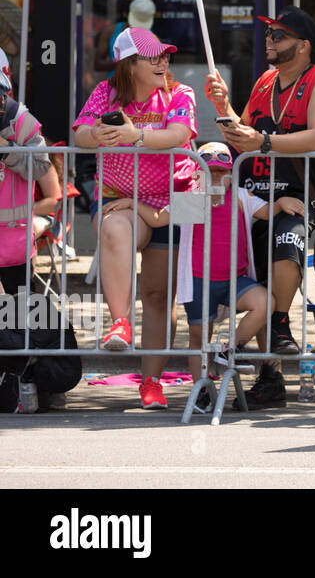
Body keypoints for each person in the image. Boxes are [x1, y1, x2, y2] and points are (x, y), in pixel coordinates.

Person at [205, 6, 315, 409]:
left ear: (303, 45)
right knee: (259, 280)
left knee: (287, 245)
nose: (269, 41)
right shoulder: (265, 80)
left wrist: (264, 143)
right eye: (268, 34)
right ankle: (270, 376)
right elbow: (241, 135)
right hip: (257, 191)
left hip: (296, 194)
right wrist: (223, 108)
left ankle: (277, 325)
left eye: (278, 35)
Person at [73, 27, 198, 410]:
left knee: (160, 296)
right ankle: (120, 323)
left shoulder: (180, 93)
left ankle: (152, 382)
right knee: (112, 226)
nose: (163, 62)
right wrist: (99, 134)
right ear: (129, 64)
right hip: (121, 201)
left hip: (174, 201)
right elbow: (79, 133)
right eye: (153, 57)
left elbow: (179, 134)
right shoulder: (105, 93)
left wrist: (134, 135)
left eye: (164, 55)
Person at [183, 142, 273, 411]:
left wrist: (283, 203)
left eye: (222, 172)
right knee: (198, 336)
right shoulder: (192, 197)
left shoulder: (242, 196)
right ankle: (200, 387)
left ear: (232, 175)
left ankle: (229, 348)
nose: (216, 178)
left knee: (264, 303)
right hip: (199, 280)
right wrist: (134, 205)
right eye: (209, 172)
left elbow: (267, 212)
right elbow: (160, 219)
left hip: (236, 278)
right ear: (197, 174)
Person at [0, 49, 60, 300]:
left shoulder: (23, 123)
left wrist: (7, 150)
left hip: (14, 239)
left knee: (19, 312)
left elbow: (41, 167)